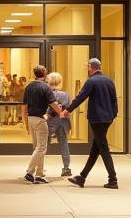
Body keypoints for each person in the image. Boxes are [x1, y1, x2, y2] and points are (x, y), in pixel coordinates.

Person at [63, 57, 119, 189]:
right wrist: (113, 115)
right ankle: (82, 177)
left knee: (103, 148)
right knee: (96, 149)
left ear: (90, 67)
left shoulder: (91, 81)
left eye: (87, 67)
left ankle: (113, 179)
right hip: (107, 119)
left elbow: (81, 97)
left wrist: (68, 110)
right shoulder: (109, 80)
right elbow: (114, 101)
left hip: (96, 119)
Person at [20, 65, 65, 183]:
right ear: (44, 74)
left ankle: (39, 174)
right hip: (40, 119)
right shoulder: (45, 87)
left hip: (30, 118)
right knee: (42, 147)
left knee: (37, 147)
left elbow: (23, 106)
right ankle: (29, 172)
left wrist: (25, 122)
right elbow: (53, 104)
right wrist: (61, 112)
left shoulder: (28, 86)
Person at [45, 71, 72, 176]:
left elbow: (46, 108)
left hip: (50, 122)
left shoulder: (48, 94)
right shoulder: (66, 95)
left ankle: (40, 167)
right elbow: (69, 111)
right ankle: (66, 168)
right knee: (64, 144)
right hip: (63, 122)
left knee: (43, 145)